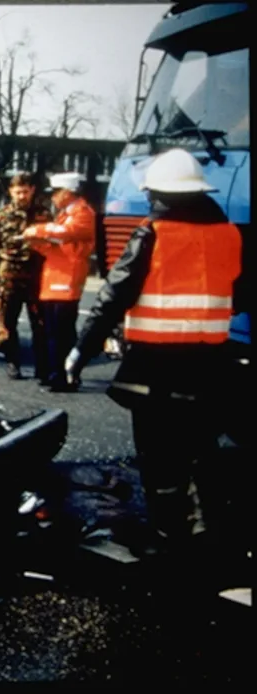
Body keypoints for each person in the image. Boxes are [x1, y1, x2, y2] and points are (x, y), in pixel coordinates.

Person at [65, 149, 242, 558]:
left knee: (159, 452)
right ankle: (206, 528)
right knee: (201, 448)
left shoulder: (152, 233)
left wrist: (81, 350)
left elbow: (113, 296)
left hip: (156, 365)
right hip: (210, 363)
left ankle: (168, 534)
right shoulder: (230, 234)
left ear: (162, 194)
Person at [22, 172, 96, 391]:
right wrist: (36, 242)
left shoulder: (83, 213)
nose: (52, 197)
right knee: (51, 331)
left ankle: (63, 376)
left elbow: (65, 233)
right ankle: (54, 373)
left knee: (61, 333)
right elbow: (55, 245)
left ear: (68, 192)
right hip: (54, 277)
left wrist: (37, 230)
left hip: (67, 279)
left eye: (55, 192)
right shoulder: (65, 214)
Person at [0, 173, 52, 379]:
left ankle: (42, 367)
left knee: (40, 322)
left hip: (36, 275)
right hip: (9, 272)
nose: (22, 196)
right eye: (18, 192)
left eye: (25, 191)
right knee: (7, 322)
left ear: (32, 191)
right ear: (11, 192)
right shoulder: (2, 215)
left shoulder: (43, 214)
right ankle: (13, 362)